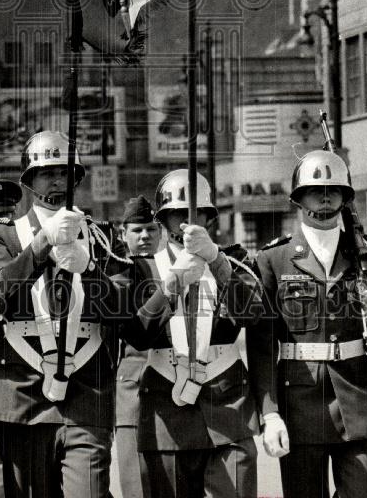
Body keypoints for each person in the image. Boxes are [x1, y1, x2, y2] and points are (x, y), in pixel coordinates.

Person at [0, 130, 158, 498]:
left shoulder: (100, 238)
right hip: (22, 397)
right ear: (29, 180)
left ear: (77, 178)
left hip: (87, 394)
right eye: (47, 172)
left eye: (65, 172)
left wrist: (90, 269)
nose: (57, 180)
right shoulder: (3, 237)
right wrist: (41, 244)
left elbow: (129, 321)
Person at [247, 146, 367, 498]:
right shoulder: (274, 259)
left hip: (357, 399)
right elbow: (261, 346)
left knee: (366, 492)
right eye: (316, 192)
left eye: (335, 192)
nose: (326, 199)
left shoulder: (366, 254)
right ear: (299, 199)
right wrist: (269, 414)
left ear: (346, 199)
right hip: (299, 404)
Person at [133, 169, 263, 498]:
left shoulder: (236, 260)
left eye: (197, 214)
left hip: (227, 406)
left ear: (209, 216)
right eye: (177, 215)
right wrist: (171, 286)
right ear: (162, 220)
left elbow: (254, 314)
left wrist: (216, 261)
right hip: (166, 410)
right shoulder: (142, 267)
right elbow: (137, 334)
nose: (188, 223)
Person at [115, 196, 162, 498]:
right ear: (123, 234)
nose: (145, 236)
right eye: (137, 230)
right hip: (133, 392)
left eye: (151, 229)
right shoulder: (117, 275)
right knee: (138, 485)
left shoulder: (175, 265)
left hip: (176, 391)